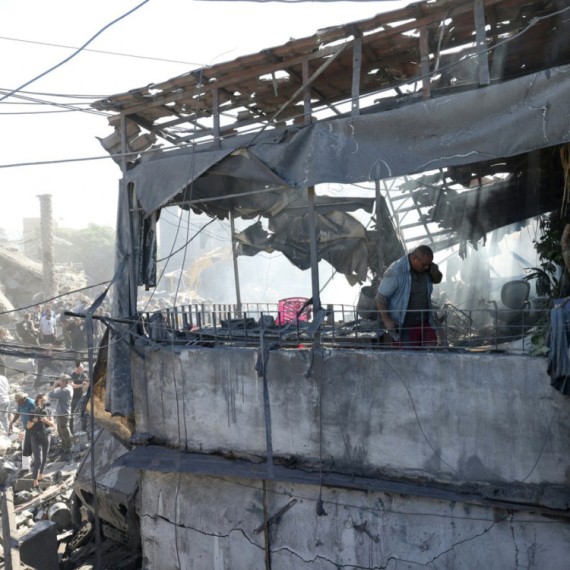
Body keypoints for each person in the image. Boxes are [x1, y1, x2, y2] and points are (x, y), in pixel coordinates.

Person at [376, 245, 443, 348]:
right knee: (409, 357)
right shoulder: (396, 271)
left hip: (425, 321)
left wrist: (434, 271)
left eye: (428, 264)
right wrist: (387, 320)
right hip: (405, 326)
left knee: (431, 353)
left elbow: (437, 279)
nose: (426, 267)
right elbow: (381, 297)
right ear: (413, 258)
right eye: (424, 264)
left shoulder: (427, 268)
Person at [26, 393, 54, 490]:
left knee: (45, 459)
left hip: (46, 437)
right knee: (38, 460)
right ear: (37, 402)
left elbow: (52, 424)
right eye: (41, 401)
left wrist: (45, 420)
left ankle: (41, 477)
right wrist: (34, 421)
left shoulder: (49, 410)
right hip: (36, 438)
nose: (43, 402)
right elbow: (28, 426)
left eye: (44, 400)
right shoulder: (32, 411)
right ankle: (35, 484)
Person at [47, 374, 73, 457]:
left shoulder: (65, 390)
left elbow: (51, 395)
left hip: (63, 413)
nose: (59, 382)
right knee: (60, 431)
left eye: (61, 381)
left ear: (65, 382)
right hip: (61, 412)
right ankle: (63, 447)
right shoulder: (67, 388)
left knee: (65, 431)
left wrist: (54, 386)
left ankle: (68, 448)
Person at [8, 392, 36, 471]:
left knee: (33, 446)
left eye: (19, 401)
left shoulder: (31, 403)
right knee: (25, 447)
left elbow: (35, 416)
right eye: (17, 402)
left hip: (33, 429)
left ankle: (37, 464)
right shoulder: (20, 403)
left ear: (24, 398)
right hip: (27, 429)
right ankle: (26, 468)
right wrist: (12, 422)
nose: (18, 403)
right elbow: (18, 412)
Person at [69, 362, 88, 433]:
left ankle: (84, 430)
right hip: (72, 398)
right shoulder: (71, 376)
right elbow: (71, 385)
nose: (78, 369)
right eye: (77, 368)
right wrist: (80, 385)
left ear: (82, 368)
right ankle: (71, 431)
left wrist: (84, 391)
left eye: (79, 368)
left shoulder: (84, 375)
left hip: (80, 397)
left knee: (83, 413)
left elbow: (86, 385)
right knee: (70, 414)